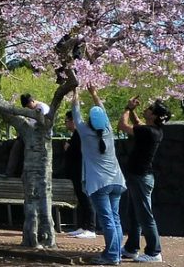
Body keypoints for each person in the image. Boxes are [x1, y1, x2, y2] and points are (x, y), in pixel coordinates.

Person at [71, 86, 126, 266]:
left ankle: (112, 256)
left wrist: (76, 93)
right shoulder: (108, 130)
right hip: (117, 181)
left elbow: (76, 113)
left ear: (90, 121)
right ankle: (115, 253)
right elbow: (102, 111)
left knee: (108, 220)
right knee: (115, 219)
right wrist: (95, 94)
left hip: (99, 183)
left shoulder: (85, 132)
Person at [118, 96, 171, 262]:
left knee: (145, 216)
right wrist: (133, 111)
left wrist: (127, 109)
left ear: (154, 116)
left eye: (150, 108)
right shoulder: (153, 130)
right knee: (134, 214)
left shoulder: (148, 132)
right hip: (139, 176)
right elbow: (139, 124)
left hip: (140, 177)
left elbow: (122, 126)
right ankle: (131, 248)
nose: (146, 109)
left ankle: (154, 252)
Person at [62, 111, 97, 239]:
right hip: (76, 171)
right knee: (81, 199)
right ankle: (83, 226)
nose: (66, 124)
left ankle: (91, 227)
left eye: (67, 121)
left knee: (85, 198)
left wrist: (67, 148)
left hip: (81, 170)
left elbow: (75, 152)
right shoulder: (78, 133)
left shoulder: (80, 133)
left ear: (73, 120)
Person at [6, 93, 51, 176]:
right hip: (30, 134)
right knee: (16, 147)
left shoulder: (42, 108)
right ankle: (9, 172)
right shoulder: (32, 109)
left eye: (28, 105)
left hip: (40, 135)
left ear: (32, 101)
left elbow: (38, 125)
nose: (28, 107)